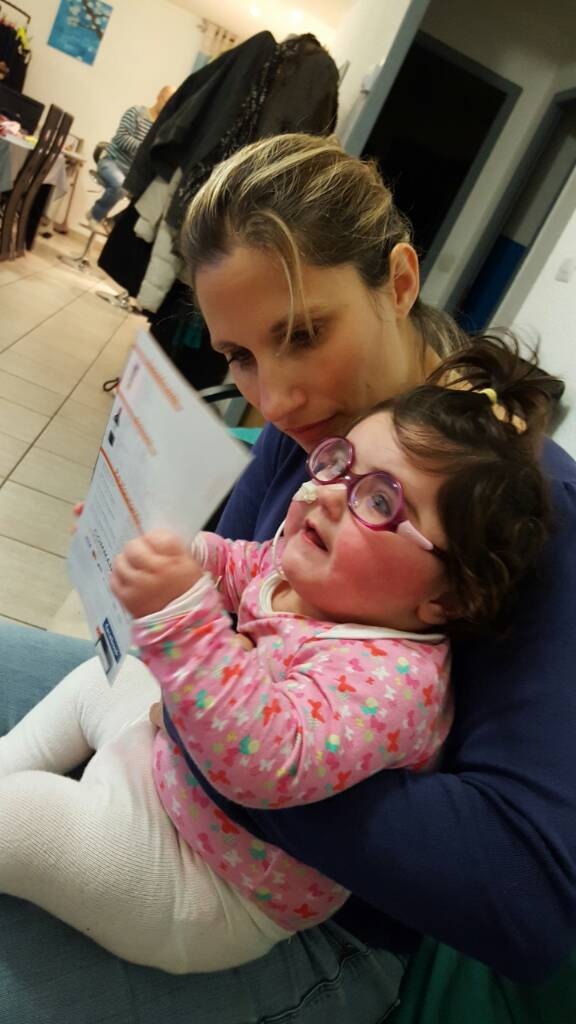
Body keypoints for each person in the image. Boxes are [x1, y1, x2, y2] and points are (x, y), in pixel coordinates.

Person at [0, 133, 574, 1023]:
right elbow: (237, 586)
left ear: (400, 281)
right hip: (181, 760)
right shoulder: (321, 435)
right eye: (237, 356)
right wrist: (150, 555)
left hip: (306, 910)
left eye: (303, 334)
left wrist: (216, 727)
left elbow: (525, 903)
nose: (274, 400)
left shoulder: (530, 511)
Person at [0, 338, 555, 973]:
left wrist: (180, 614)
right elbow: (238, 565)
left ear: (448, 598)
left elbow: (265, 763)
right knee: (112, 676)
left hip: (208, 885)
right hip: (165, 779)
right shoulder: (310, 573)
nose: (328, 494)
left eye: (380, 500)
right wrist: (169, 551)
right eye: (339, 463)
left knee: (25, 818)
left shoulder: (394, 679)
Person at [86, 85, 175, 230]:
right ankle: (95, 215)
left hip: (133, 171)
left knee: (149, 198)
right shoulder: (136, 112)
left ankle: (114, 222)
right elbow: (121, 137)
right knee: (121, 186)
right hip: (112, 162)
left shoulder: (161, 129)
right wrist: (145, 148)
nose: (168, 107)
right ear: (159, 96)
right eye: (166, 101)